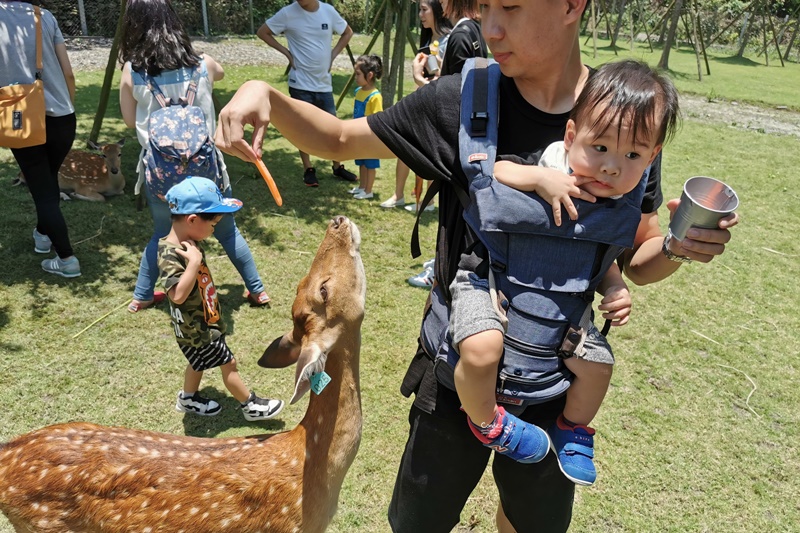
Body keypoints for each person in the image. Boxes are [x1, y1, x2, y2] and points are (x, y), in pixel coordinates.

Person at [213, 0, 738, 530]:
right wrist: (268, 97)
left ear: (572, 6)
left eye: (509, 6)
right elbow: (339, 139)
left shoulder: (627, 114)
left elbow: (638, 258)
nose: (490, 26)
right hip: (456, 374)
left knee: (528, 522)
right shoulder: (460, 98)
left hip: (554, 386)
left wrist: (677, 248)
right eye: (485, 6)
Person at [450, 59, 680, 487]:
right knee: (481, 349)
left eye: (632, 155)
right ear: (571, 137)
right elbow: (491, 172)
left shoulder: (618, 201)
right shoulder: (552, 164)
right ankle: (486, 422)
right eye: (600, 148)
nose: (612, 167)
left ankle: (573, 428)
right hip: (487, 283)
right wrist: (538, 178)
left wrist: (616, 288)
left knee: (599, 367)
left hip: (560, 315)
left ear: (652, 159)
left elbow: (604, 258)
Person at [118, 0, 271, 313]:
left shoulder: (132, 71)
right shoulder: (203, 64)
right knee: (228, 231)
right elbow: (222, 73)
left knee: (162, 233)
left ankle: (142, 295)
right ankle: (257, 290)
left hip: (162, 176)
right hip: (207, 173)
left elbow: (130, 121)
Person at [159, 176, 285, 421]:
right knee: (229, 364)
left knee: (198, 363)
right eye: (213, 223)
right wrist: (194, 263)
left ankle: (187, 398)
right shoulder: (169, 253)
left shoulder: (189, 240)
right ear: (192, 219)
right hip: (198, 328)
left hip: (200, 322)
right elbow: (177, 295)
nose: (214, 229)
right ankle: (250, 405)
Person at [406, 0, 488, 288]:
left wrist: (421, 81)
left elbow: (457, 100)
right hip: (471, 144)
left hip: (458, 147)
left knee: (454, 221)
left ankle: (444, 272)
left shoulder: (462, 35)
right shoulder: (475, 30)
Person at [1, 0, 79, 277]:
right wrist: (69, 106)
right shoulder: (43, 15)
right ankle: (43, 234)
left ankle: (67, 259)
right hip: (62, 117)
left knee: (43, 190)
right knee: (46, 182)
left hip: (20, 117)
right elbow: (68, 72)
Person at [256, 0, 357, 188]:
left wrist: (333, 54)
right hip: (300, 83)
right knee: (303, 129)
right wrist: (287, 53)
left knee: (333, 129)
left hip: (324, 84)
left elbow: (347, 32)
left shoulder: (328, 11)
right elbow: (263, 32)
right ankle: (308, 169)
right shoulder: (287, 13)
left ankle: (337, 166)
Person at [380, 0, 452, 210]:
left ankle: (427, 201)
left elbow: (446, 79)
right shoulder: (428, 38)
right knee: (404, 146)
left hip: (437, 104)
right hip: (421, 98)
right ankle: (398, 195)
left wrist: (424, 79)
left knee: (429, 152)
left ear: (437, 10)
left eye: (423, 9)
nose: (420, 14)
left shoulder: (451, 39)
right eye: (419, 10)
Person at [347, 55, 383, 200]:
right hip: (359, 135)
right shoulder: (358, 92)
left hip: (370, 137)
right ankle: (362, 187)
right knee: (361, 162)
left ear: (369, 75)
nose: (355, 77)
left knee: (370, 165)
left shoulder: (375, 96)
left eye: (358, 74)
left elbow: (377, 118)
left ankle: (369, 191)